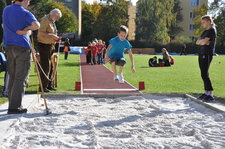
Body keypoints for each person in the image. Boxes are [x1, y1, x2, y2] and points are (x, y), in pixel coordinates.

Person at [3, 0, 40, 114]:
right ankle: (15, 107)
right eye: (28, 1)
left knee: (13, 76)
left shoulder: (6, 9)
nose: (28, 3)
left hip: (9, 46)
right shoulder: (25, 13)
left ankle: (12, 104)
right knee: (21, 77)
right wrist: (26, 30)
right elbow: (36, 25)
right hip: (22, 47)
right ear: (23, 0)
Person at [37, 8, 62, 92]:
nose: (57, 18)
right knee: (45, 66)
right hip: (44, 45)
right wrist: (52, 36)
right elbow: (40, 33)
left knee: (50, 66)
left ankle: (48, 85)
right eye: (57, 17)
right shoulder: (45, 20)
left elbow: (51, 33)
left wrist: (56, 38)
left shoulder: (51, 21)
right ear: (53, 14)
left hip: (50, 45)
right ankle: (43, 87)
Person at [196, 15, 217, 102]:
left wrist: (203, 42)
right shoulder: (205, 32)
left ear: (208, 21)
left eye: (203, 22)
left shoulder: (212, 30)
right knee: (203, 74)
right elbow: (197, 42)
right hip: (201, 54)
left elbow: (203, 41)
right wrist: (203, 42)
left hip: (207, 54)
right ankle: (206, 93)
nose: (202, 24)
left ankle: (210, 94)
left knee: (205, 73)